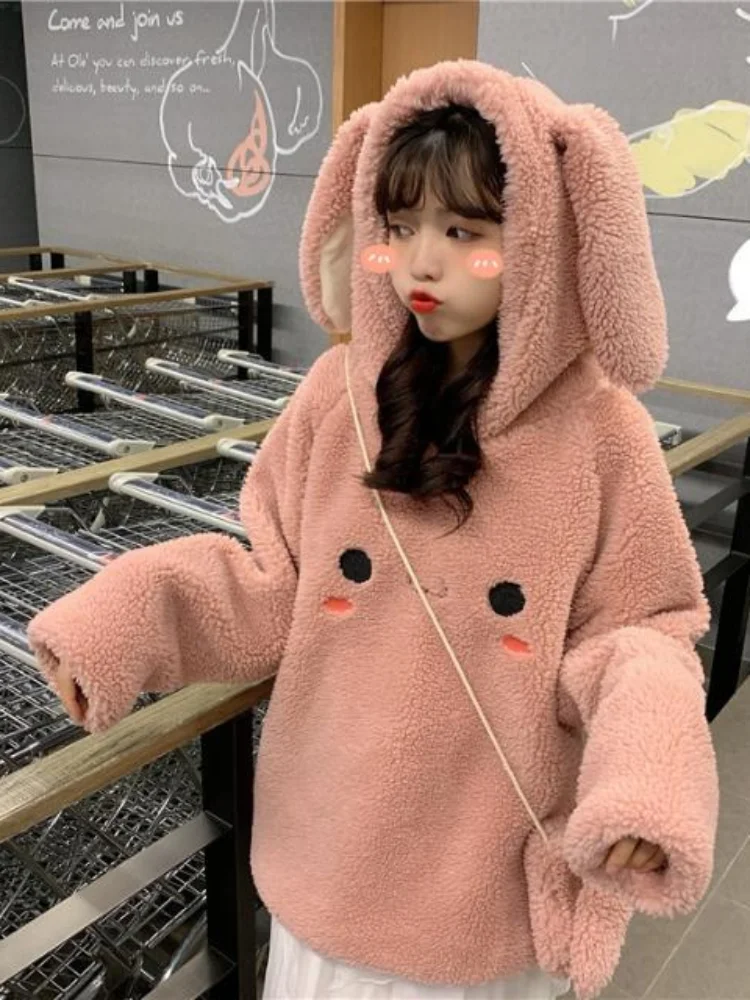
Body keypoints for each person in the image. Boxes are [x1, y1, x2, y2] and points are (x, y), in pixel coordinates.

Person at [27, 60, 719, 1000]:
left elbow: (642, 629)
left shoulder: (600, 432)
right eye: (399, 227)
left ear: (542, 237)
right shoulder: (339, 395)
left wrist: (643, 778)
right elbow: (272, 580)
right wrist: (120, 622)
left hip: (482, 889)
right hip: (329, 851)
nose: (422, 261)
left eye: (464, 231)